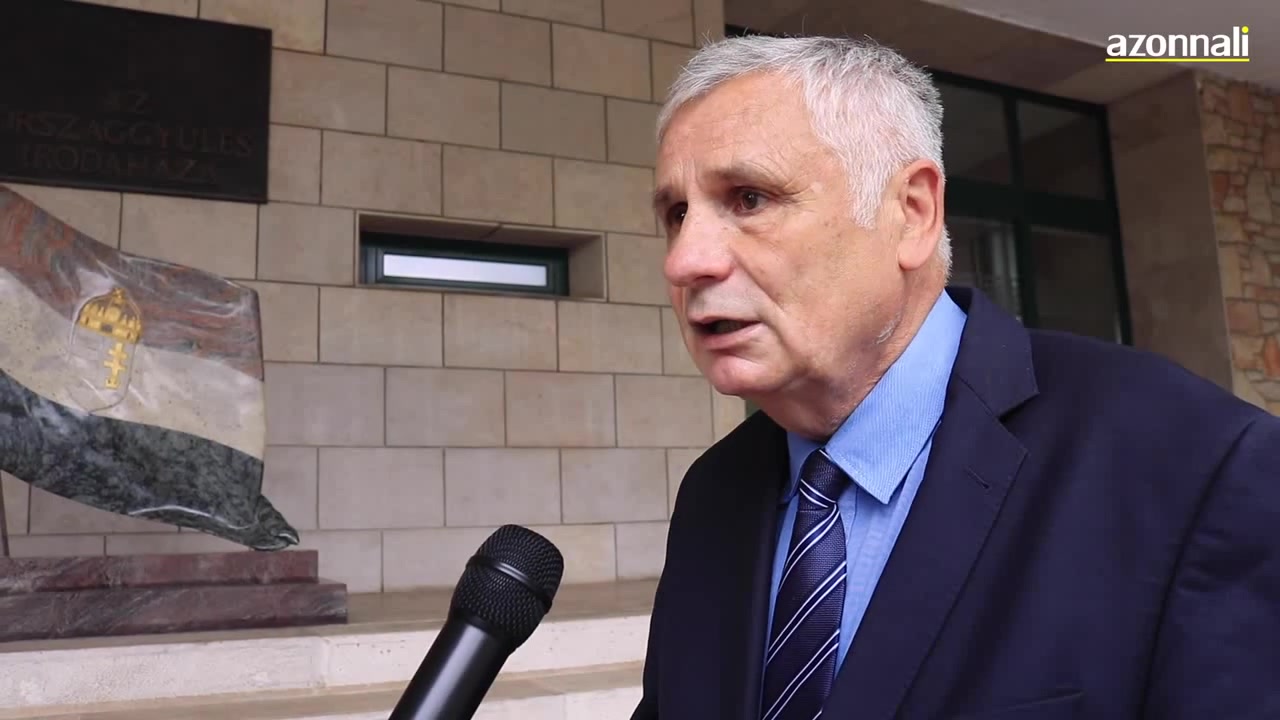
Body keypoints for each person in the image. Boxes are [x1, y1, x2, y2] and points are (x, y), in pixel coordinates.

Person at [633, 33, 1280, 720]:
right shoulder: (712, 494)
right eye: (676, 214)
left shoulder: (1190, 464)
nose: (685, 261)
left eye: (749, 198)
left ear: (912, 213)